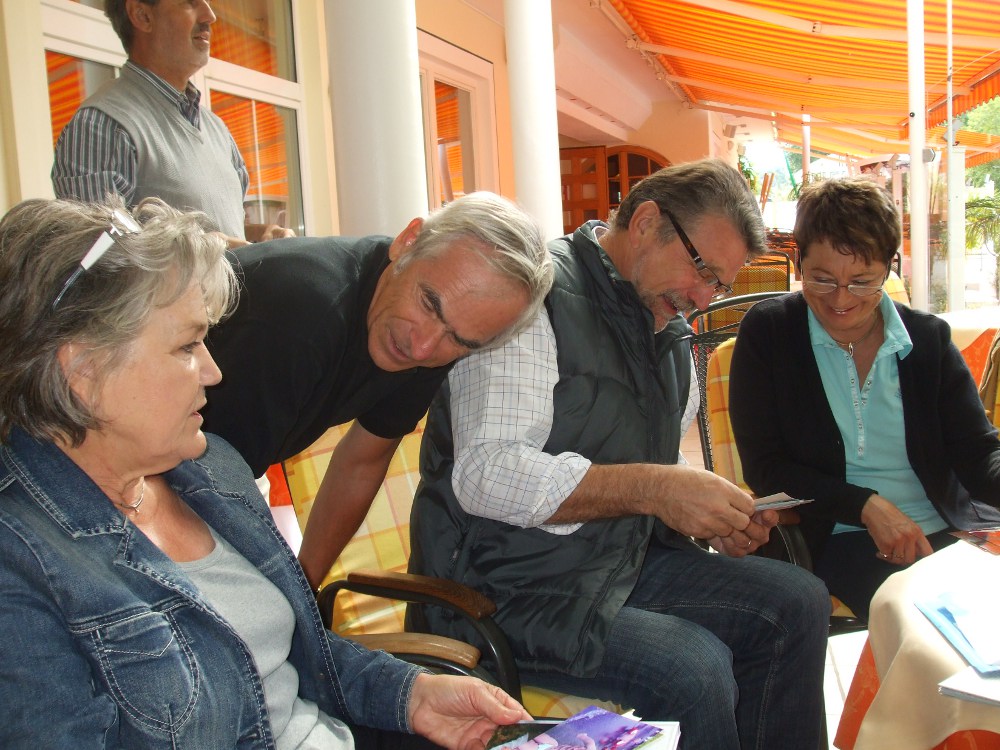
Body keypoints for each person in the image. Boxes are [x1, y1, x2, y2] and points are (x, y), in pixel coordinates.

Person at [0, 196, 530, 748]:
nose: (214, 370)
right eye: (188, 345)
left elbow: (286, 652)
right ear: (83, 370)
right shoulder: (21, 562)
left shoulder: (212, 470)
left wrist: (412, 694)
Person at [410, 159, 831, 749]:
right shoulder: (532, 299)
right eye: (702, 268)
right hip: (497, 590)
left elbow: (652, 465)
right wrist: (657, 490)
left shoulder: (668, 331)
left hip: (615, 564)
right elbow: (485, 474)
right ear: (647, 222)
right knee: (693, 667)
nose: (702, 297)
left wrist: (709, 513)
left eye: (719, 284)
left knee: (798, 602)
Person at [201, 191, 553, 590]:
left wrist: (304, 586)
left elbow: (362, 462)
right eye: (428, 304)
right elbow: (198, 486)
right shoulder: (302, 316)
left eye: (461, 340)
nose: (422, 348)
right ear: (408, 241)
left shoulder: (426, 335)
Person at [729, 176, 1000, 622]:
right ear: (798, 261)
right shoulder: (770, 333)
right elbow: (766, 467)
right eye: (822, 279)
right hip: (842, 538)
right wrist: (865, 506)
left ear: (889, 268)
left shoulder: (927, 340)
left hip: (950, 532)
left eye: (861, 282)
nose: (840, 299)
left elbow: (976, 453)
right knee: (931, 622)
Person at [51, 0, 290, 247]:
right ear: (142, 15)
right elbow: (100, 253)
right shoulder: (102, 126)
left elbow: (220, 228)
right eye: (190, 2)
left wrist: (260, 235)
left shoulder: (217, 129)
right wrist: (204, 248)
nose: (210, 16)